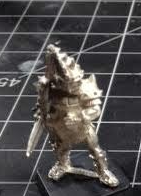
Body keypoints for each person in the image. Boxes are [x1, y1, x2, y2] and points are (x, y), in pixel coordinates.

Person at [28, 45, 118, 187]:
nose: (72, 87)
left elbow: (95, 109)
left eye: (74, 83)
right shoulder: (50, 90)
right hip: (59, 128)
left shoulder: (85, 88)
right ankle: (63, 165)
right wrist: (43, 112)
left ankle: (103, 171)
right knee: (60, 150)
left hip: (82, 127)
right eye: (67, 84)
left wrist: (82, 117)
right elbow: (43, 107)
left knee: (96, 150)